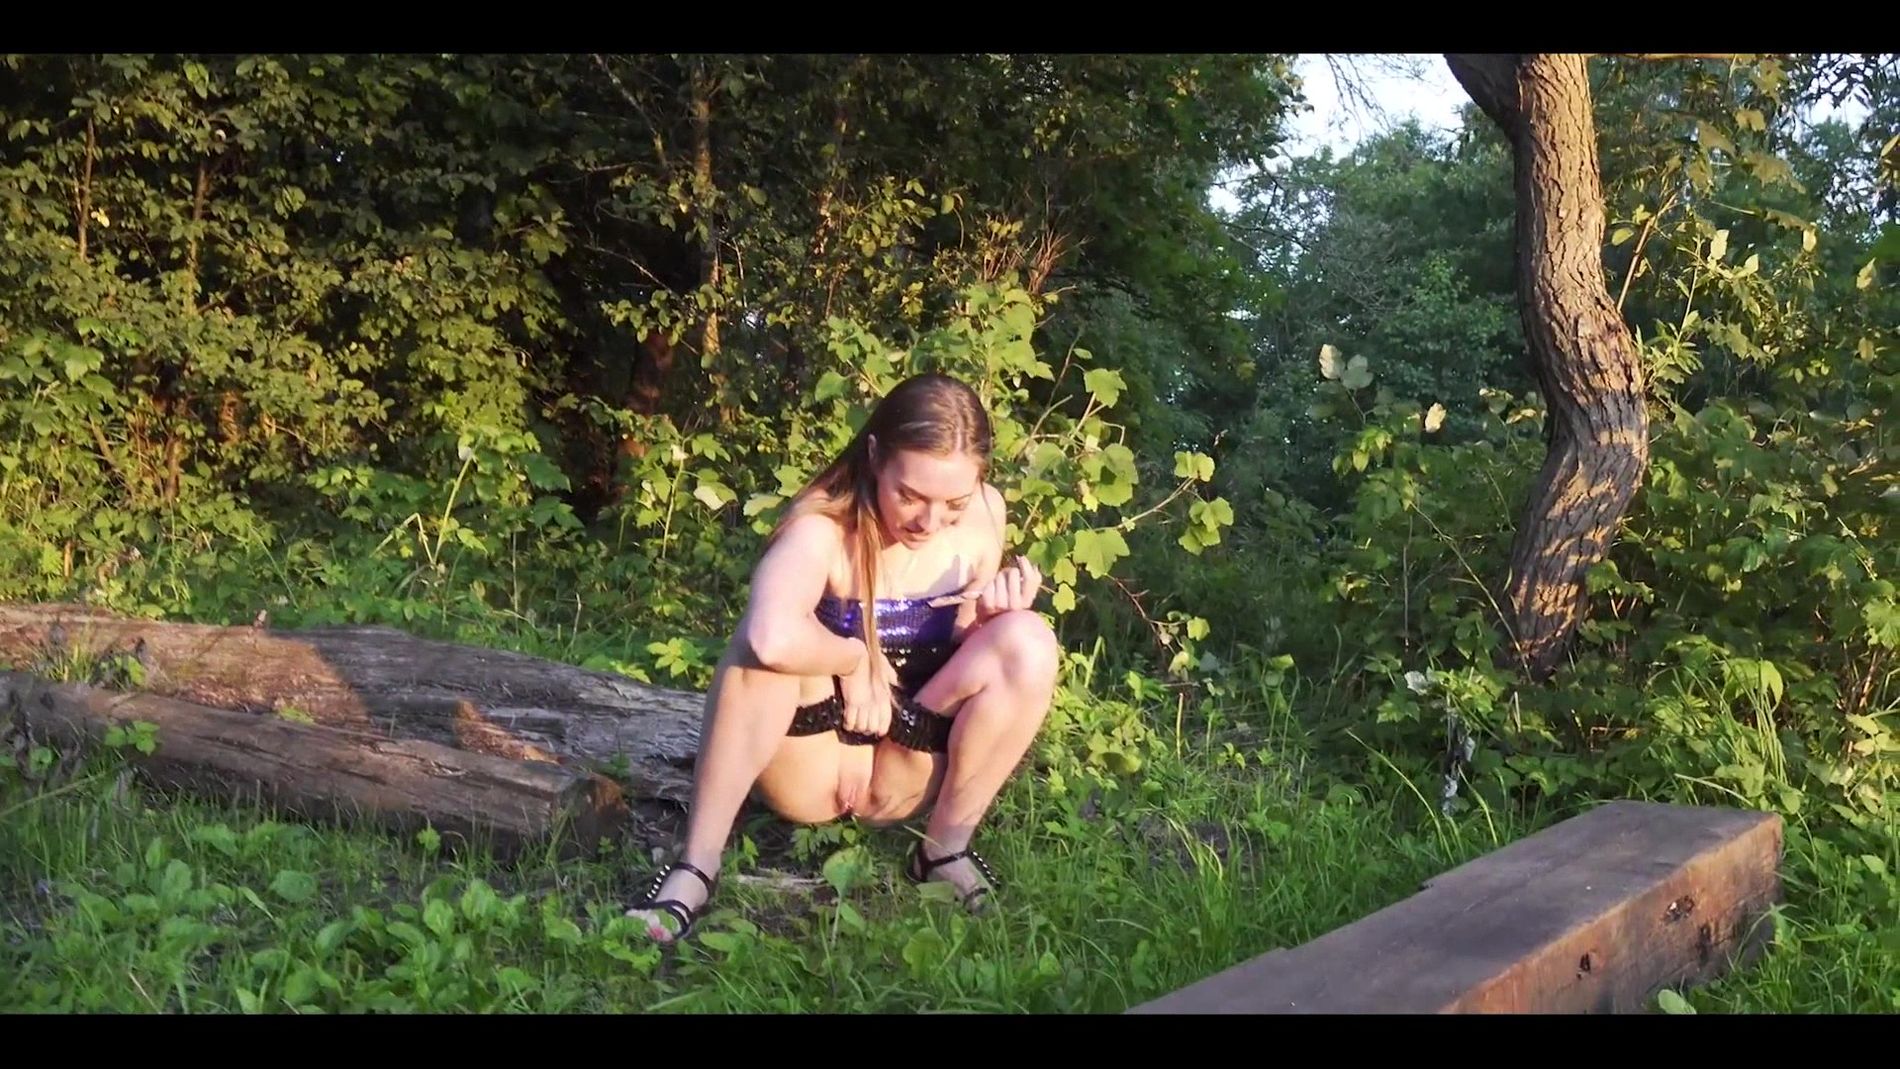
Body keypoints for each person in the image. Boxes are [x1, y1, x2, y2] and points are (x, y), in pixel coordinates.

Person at [624, 372, 1061, 943]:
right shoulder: (822, 524)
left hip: (905, 760)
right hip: (813, 766)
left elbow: (956, 645)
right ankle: (696, 868)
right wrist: (854, 659)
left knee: (1028, 640)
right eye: (910, 495)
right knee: (757, 653)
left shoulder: (985, 513)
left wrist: (986, 623)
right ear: (875, 456)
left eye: (952, 503)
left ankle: (943, 849)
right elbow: (770, 636)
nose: (929, 522)